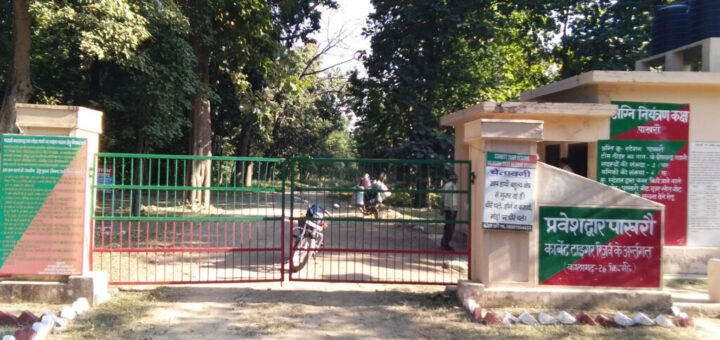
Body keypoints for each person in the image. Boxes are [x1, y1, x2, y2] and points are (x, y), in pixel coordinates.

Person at [441, 173, 459, 251]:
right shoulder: (452, 186)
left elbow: (442, 197)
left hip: (447, 209)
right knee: (450, 228)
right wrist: (452, 210)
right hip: (451, 209)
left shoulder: (446, 185)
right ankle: (446, 245)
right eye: (456, 179)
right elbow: (450, 199)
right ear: (454, 179)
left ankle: (443, 242)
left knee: (447, 226)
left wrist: (441, 208)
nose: (457, 181)